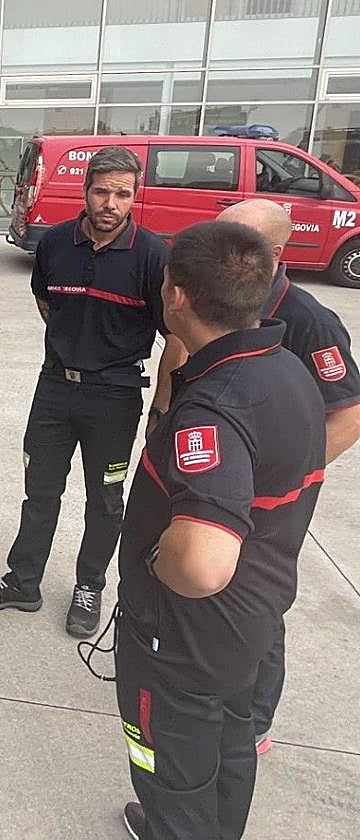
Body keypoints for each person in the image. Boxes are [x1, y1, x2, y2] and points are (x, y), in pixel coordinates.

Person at [115, 221, 325, 840]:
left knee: (170, 769)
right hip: (252, 617)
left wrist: (154, 559)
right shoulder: (286, 370)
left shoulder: (214, 408)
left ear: (177, 296)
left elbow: (203, 564)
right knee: (232, 741)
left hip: (185, 638)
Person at [0, 146, 183, 639]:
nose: (111, 203)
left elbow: (176, 338)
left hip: (116, 396)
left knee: (104, 498)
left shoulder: (153, 256)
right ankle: (24, 583)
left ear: (135, 196)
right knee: (39, 492)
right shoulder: (55, 243)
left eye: (122, 194)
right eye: (102, 192)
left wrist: (161, 408)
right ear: (85, 191)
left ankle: (89, 586)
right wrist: (73, 346)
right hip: (55, 389)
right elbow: (46, 303)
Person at [217, 199, 360, 755]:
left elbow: (348, 413)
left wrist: (286, 479)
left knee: (258, 599)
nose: (218, 253)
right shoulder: (222, 298)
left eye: (234, 244)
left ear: (274, 254)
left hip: (271, 495)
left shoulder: (308, 321)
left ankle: (253, 721)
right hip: (223, 482)